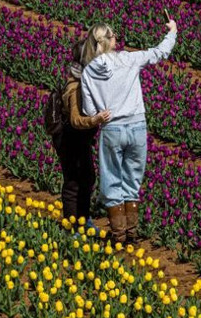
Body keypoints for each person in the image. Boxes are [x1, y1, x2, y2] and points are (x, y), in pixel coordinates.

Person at [80, 19, 177, 244]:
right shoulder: (128, 59)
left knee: (112, 178)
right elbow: (159, 52)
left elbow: (89, 110)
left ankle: (119, 235)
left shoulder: (88, 71)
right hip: (137, 126)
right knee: (132, 180)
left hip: (111, 128)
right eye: (114, 35)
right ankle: (131, 234)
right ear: (110, 40)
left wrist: (100, 114)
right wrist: (172, 31)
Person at [51, 38, 111, 230]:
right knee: (74, 181)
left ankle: (84, 219)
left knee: (87, 178)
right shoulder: (75, 86)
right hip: (69, 138)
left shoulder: (87, 81)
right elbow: (76, 120)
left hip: (81, 138)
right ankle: (72, 225)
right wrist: (96, 120)